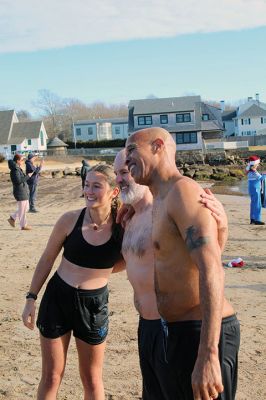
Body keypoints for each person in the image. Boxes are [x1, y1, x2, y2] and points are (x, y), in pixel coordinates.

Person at [125, 128, 240, 400]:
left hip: (201, 332)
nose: (126, 158)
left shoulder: (183, 192)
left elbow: (211, 267)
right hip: (173, 331)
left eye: (131, 149)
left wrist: (209, 354)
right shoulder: (160, 199)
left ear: (157, 146)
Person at [22, 164, 124, 400]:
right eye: (86, 185)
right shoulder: (69, 219)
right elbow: (47, 258)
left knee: (91, 378)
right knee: (51, 376)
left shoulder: (123, 226)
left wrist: (101, 271)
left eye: (96, 186)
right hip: (57, 299)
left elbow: (133, 259)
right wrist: (31, 298)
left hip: (93, 306)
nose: (89, 190)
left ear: (114, 192)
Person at [8, 153, 33, 230]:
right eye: (22, 160)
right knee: (22, 210)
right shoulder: (15, 170)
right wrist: (28, 176)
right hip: (19, 192)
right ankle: (23, 225)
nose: (23, 161)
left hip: (23, 191)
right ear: (18, 160)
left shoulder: (17, 168)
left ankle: (12, 217)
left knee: (26, 208)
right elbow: (18, 181)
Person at [246, 155, 265, 225]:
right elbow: (261, 178)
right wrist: (264, 174)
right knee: (257, 204)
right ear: (255, 164)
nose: (258, 165)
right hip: (255, 189)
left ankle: (252, 219)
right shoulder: (254, 171)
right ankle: (257, 219)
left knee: (253, 203)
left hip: (252, 188)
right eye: (257, 164)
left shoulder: (248, 170)